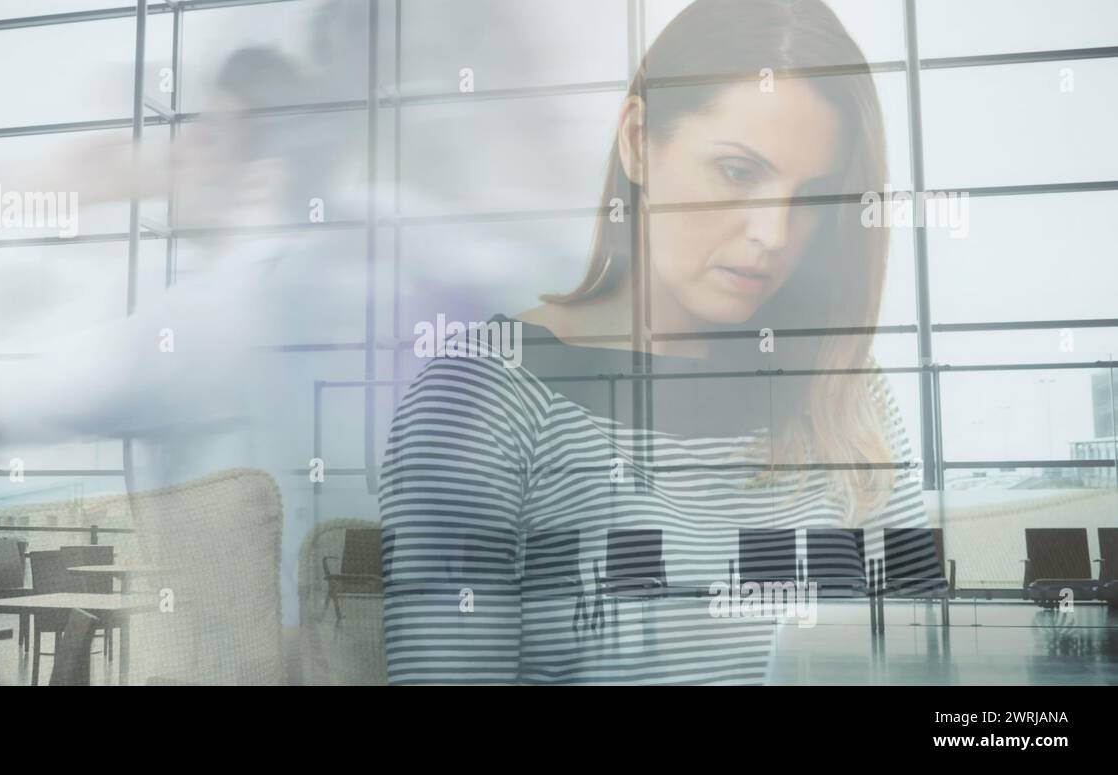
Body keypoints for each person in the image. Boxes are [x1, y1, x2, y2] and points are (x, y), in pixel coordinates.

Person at [379, 0, 936, 684]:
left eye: (813, 197)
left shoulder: (846, 387)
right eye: (738, 172)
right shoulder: (487, 392)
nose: (775, 233)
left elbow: (923, 660)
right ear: (639, 140)